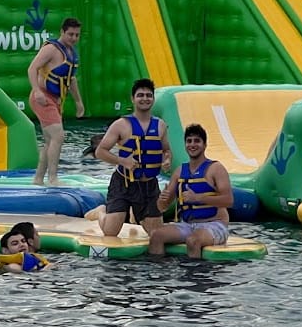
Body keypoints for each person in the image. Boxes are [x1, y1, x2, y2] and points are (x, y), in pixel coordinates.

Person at [87, 78, 171, 236]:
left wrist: (167, 160)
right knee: (110, 232)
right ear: (133, 99)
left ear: (153, 99)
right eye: (140, 95)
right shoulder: (121, 124)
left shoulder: (160, 125)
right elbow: (100, 151)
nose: (145, 98)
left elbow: (166, 150)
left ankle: (136, 214)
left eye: (148, 95)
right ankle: (101, 211)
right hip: (123, 183)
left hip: (149, 186)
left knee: (156, 234)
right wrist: (122, 161)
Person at [149, 123, 233, 258]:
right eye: (189, 141)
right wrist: (162, 199)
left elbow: (228, 201)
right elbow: (162, 208)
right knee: (156, 235)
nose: (192, 145)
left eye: (197, 141)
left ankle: (195, 277)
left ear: (205, 145)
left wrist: (199, 198)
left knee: (193, 241)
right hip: (187, 225)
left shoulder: (216, 169)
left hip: (214, 225)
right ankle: (160, 275)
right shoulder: (179, 172)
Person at [27, 17, 85, 186]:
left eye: (77, 35)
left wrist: (78, 102)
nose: (73, 38)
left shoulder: (72, 54)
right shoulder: (51, 49)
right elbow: (32, 68)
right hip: (43, 98)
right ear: (62, 32)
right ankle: (53, 178)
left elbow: (71, 79)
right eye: (70, 34)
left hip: (56, 100)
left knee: (50, 140)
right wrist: (37, 91)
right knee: (58, 136)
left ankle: (38, 179)